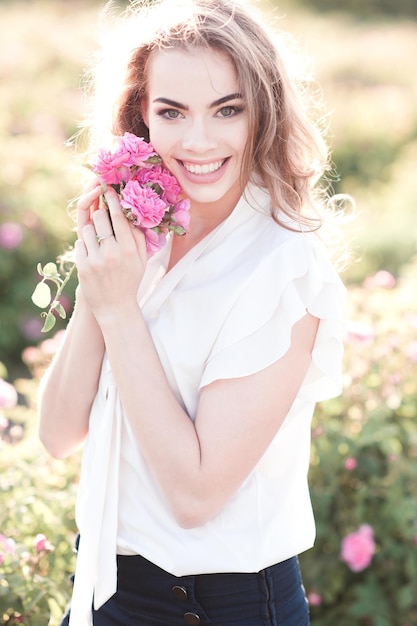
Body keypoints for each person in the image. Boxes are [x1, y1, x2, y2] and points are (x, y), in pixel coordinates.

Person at [38, 0, 346, 624]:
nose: (198, 141)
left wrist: (120, 309)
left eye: (227, 110)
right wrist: (103, 280)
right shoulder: (138, 233)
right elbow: (58, 433)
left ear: (263, 112)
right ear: (140, 119)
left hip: (214, 606)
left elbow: (195, 494)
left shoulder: (283, 266)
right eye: (171, 112)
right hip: (102, 587)